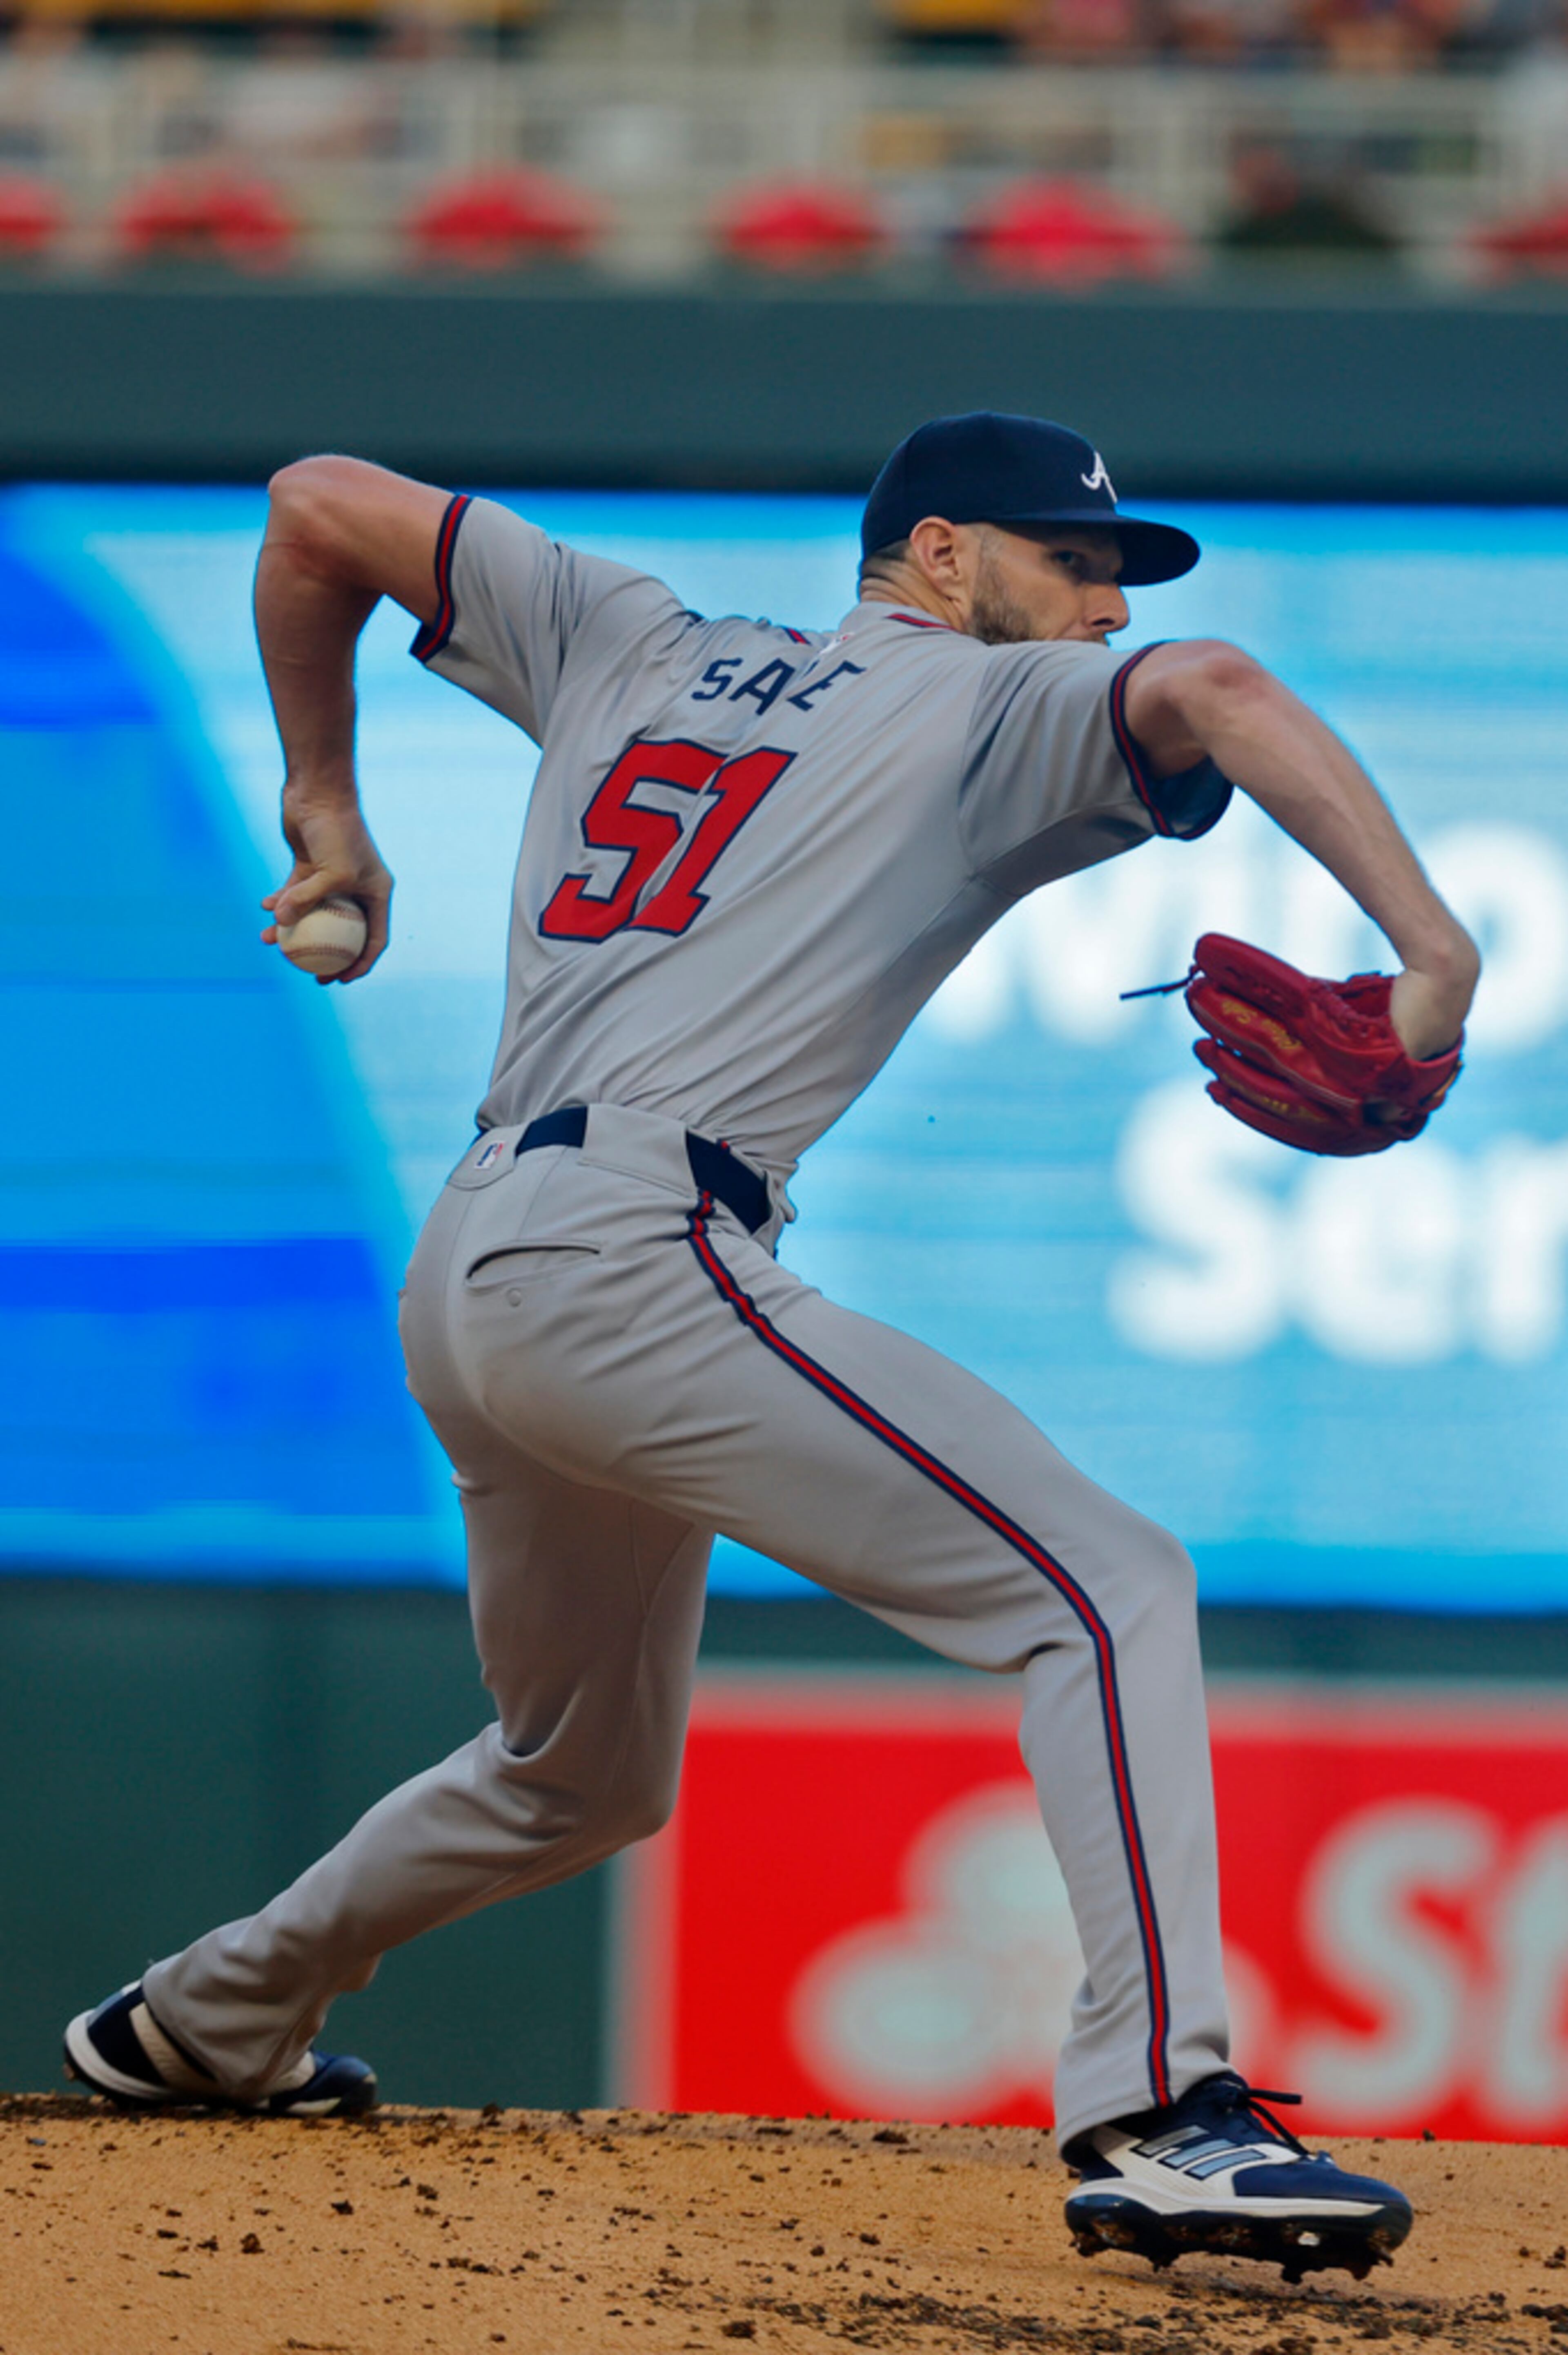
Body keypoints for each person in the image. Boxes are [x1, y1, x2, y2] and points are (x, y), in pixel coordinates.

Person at [65, 413, 1477, 2275]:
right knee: (1107, 1580)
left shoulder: (629, 635)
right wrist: (1436, 952)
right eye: (1077, 564)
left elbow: (315, 503)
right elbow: (1217, 685)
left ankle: (209, 2012)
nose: (1103, 610)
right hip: (639, 1251)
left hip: (478, 1260)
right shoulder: (986, 704)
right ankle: (1165, 2115)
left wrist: (328, 811)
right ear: (947, 554)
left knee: (581, 1768)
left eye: (1115, 580)